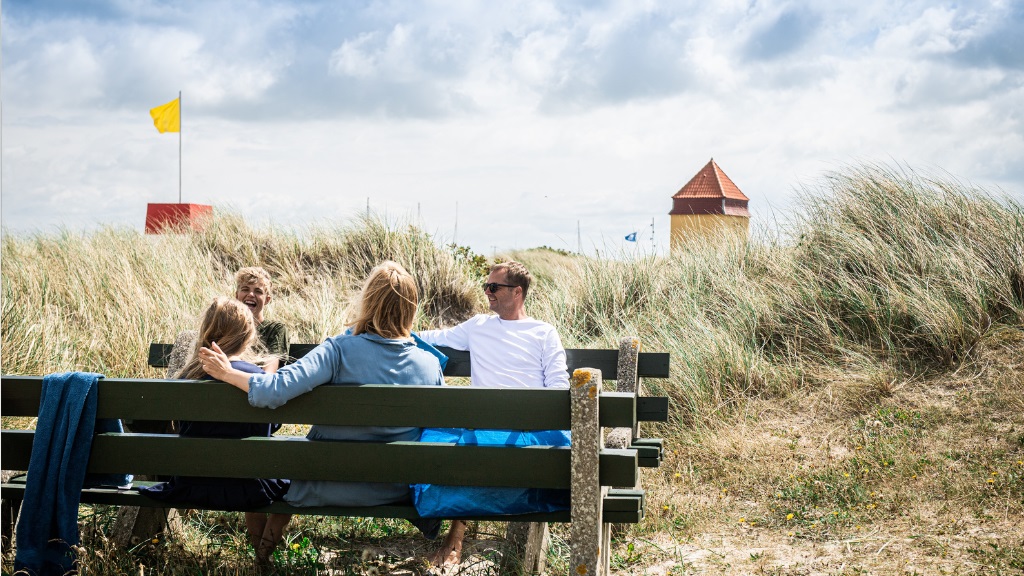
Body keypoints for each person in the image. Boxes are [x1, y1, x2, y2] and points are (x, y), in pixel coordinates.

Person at [198, 261, 445, 511]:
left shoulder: (338, 350)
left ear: (368, 302)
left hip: (327, 485)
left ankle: (264, 550)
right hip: (398, 489)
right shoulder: (431, 364)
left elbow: (273, 391)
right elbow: (440, 436)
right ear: (411, 309)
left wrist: (228, 373)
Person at [416, 260, 569, 567]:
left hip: (529, 430)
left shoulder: (543, 332)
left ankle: (456, 535)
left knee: (471, 450)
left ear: (517, 292)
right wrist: (387, 330)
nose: (487, 292)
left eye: (494, 287)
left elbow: (558, 386)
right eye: (486, 286)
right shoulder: (478, 327)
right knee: (460, 445)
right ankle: (456, 536)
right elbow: (433, 338)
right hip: (484, 428)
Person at [139, 297, 292, 565]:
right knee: (298, 487)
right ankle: (263, 558)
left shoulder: (186, 377)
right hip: (249, 488)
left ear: (207, 331)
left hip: (191, 486)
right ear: (248, 336)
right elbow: (270, 427)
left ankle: (262, 558)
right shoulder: (254, 379)